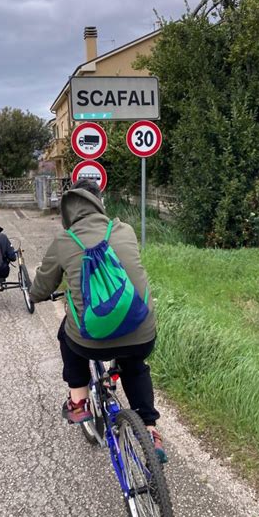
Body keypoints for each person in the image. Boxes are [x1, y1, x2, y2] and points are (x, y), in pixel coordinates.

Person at [29, 179, 167, 462]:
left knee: (67, 337)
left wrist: (35, 295)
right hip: (142, 330)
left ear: (69, 210)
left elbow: (41, 289)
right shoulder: (125, 230)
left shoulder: (64, 241)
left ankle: (79, 402)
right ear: (99, 203)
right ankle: (150, 431)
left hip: (91, 344)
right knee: (133, 363)